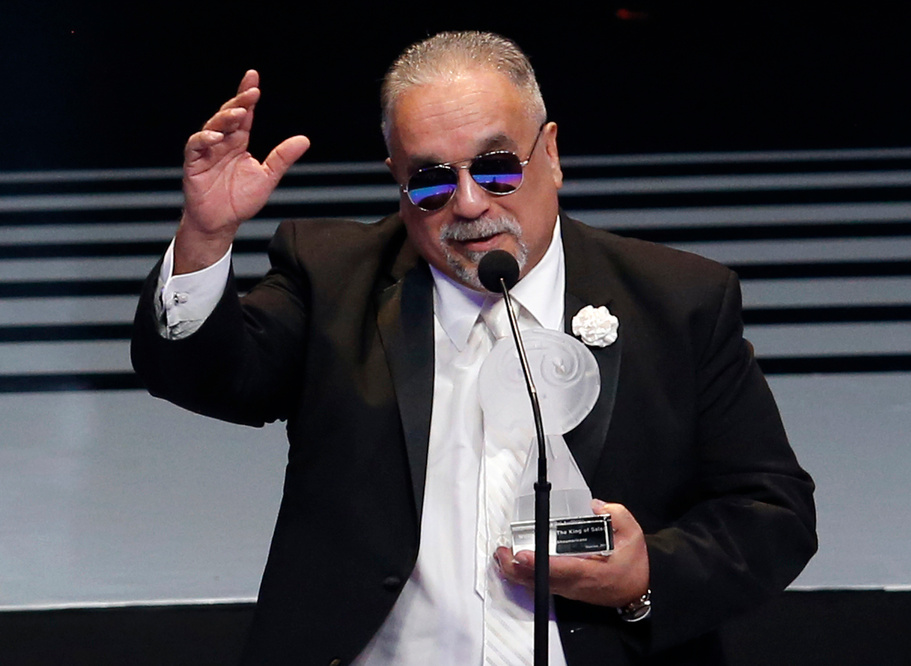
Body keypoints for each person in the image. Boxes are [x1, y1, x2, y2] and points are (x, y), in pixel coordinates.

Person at [131, 31, 816, 665]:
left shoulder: (678, 299)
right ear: (396, 179)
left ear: (550, 152)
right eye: (429, 180)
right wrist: (205, 237)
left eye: (495, 167)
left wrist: (645, 578)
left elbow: (770, 513)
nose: (466, 203)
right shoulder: (335, 276)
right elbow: (208, 376)